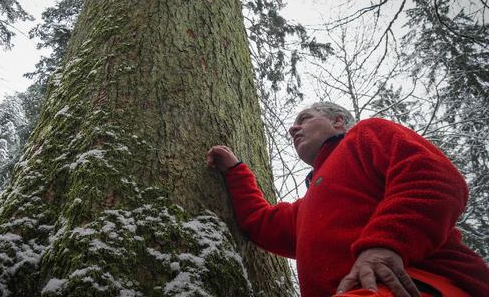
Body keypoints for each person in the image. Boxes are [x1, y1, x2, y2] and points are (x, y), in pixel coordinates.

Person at [206, 102, 489, 297]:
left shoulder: (366, 135)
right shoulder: (308, 205)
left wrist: (385, 245)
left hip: (417, 282)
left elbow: (433, 177)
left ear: (338, 121)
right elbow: (259, 222)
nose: (293, 129)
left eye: (304, 118)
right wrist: (235, 171)